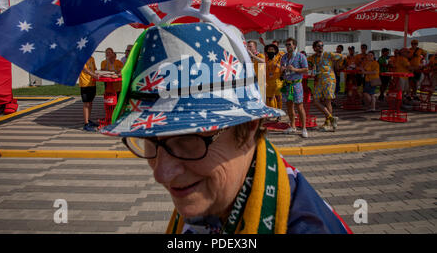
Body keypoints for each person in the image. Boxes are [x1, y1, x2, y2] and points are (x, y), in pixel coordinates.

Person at [100, 22, 352, 234]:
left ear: (250, 126)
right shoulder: (215, 198)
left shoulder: (307, 227)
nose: (161, 174)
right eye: (151, 140)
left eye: (188, 139)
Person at [307, 40, 344, 131]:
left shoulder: (328, 54)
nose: (321, 47)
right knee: (315, 101)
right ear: (314, 48)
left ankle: (327, 123)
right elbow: (308, 65)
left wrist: (337, 66)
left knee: (328, 102)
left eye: (322, 46)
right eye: (319, 46)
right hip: (319, 80)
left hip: (329, 80)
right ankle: (331, 118)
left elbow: (342, 57)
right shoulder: (312, 57)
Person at [280, 38, 308, 138]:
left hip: (296, 85)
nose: (288, 47)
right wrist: (282, 70)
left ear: (294, 46)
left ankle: (304, 128)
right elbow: (281, 72)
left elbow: (306, 69)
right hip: (286, 84)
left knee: (299, 107)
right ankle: (292, 126)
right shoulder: (284, 57)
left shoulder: (301, 56)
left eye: (289, 45)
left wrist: (294, 69)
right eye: (286, 45)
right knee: (289, 106)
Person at [79, 56, 99, 132]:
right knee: (86, 104)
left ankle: (88, 120)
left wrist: (100, 73)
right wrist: (95, 75)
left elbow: (94, 69)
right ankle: (86, 124)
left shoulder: (92, 58)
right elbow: (85, 70)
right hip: (85, 84)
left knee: (90, 102)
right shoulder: (82, 58)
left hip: (92, 83)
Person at [264, 44, 283, 110]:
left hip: (277, 80)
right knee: (269, 98)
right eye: (269, 50)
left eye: (272, 49)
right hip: (268, 81)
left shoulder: (279, 58)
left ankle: (279, 111)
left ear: (275, 50)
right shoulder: (265, 59)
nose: (270, 51)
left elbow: (283, 68)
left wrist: (277, 65)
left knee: (278, 97)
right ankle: (274, 111)